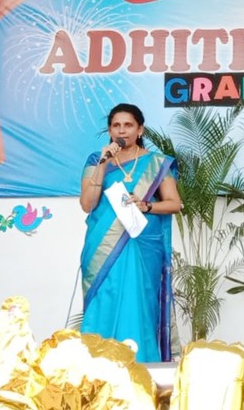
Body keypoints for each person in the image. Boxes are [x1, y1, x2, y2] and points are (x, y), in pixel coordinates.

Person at [78, 103, 181, 362]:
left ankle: (142, 366)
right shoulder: (96, 160)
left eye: (128, 125)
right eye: (116, 125)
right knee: (103, 300)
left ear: (140, 129)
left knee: (138, 305)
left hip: (141, 245)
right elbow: (87, 204)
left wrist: (147, 205)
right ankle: (95, 367)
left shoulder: (156, 162)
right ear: (109, 131)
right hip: (102, 248)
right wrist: (103, 164)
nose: (122, 131)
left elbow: (174, 203)